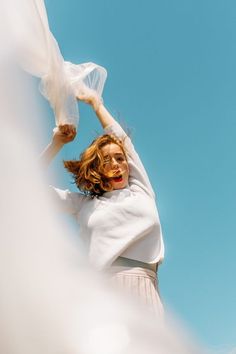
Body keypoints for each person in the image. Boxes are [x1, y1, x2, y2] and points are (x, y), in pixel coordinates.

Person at [41, 92, 165, 315]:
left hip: (145, 290)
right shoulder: (83, 204)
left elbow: (124, 143)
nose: (117, 165)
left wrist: (96, 104)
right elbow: (25, 181)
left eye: (120, 158)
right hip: (100, 293)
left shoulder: (141, 190)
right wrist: (56, 144)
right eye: (107, 161)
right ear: (96, 169)